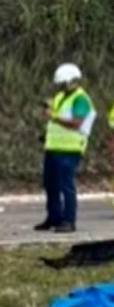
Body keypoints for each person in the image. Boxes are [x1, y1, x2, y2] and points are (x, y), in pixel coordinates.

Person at [39, 63, 95, 234]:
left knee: (66, 186)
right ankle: (54, 217)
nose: (61, 86)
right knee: (50, 184)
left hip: (70, 149)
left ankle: (69, 221)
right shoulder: (60, 96)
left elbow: (76, 123)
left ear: (73, 81)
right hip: (54, 147)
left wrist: (53, 118)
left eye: (63, 83)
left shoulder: (81, 99)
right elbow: (56, 118)